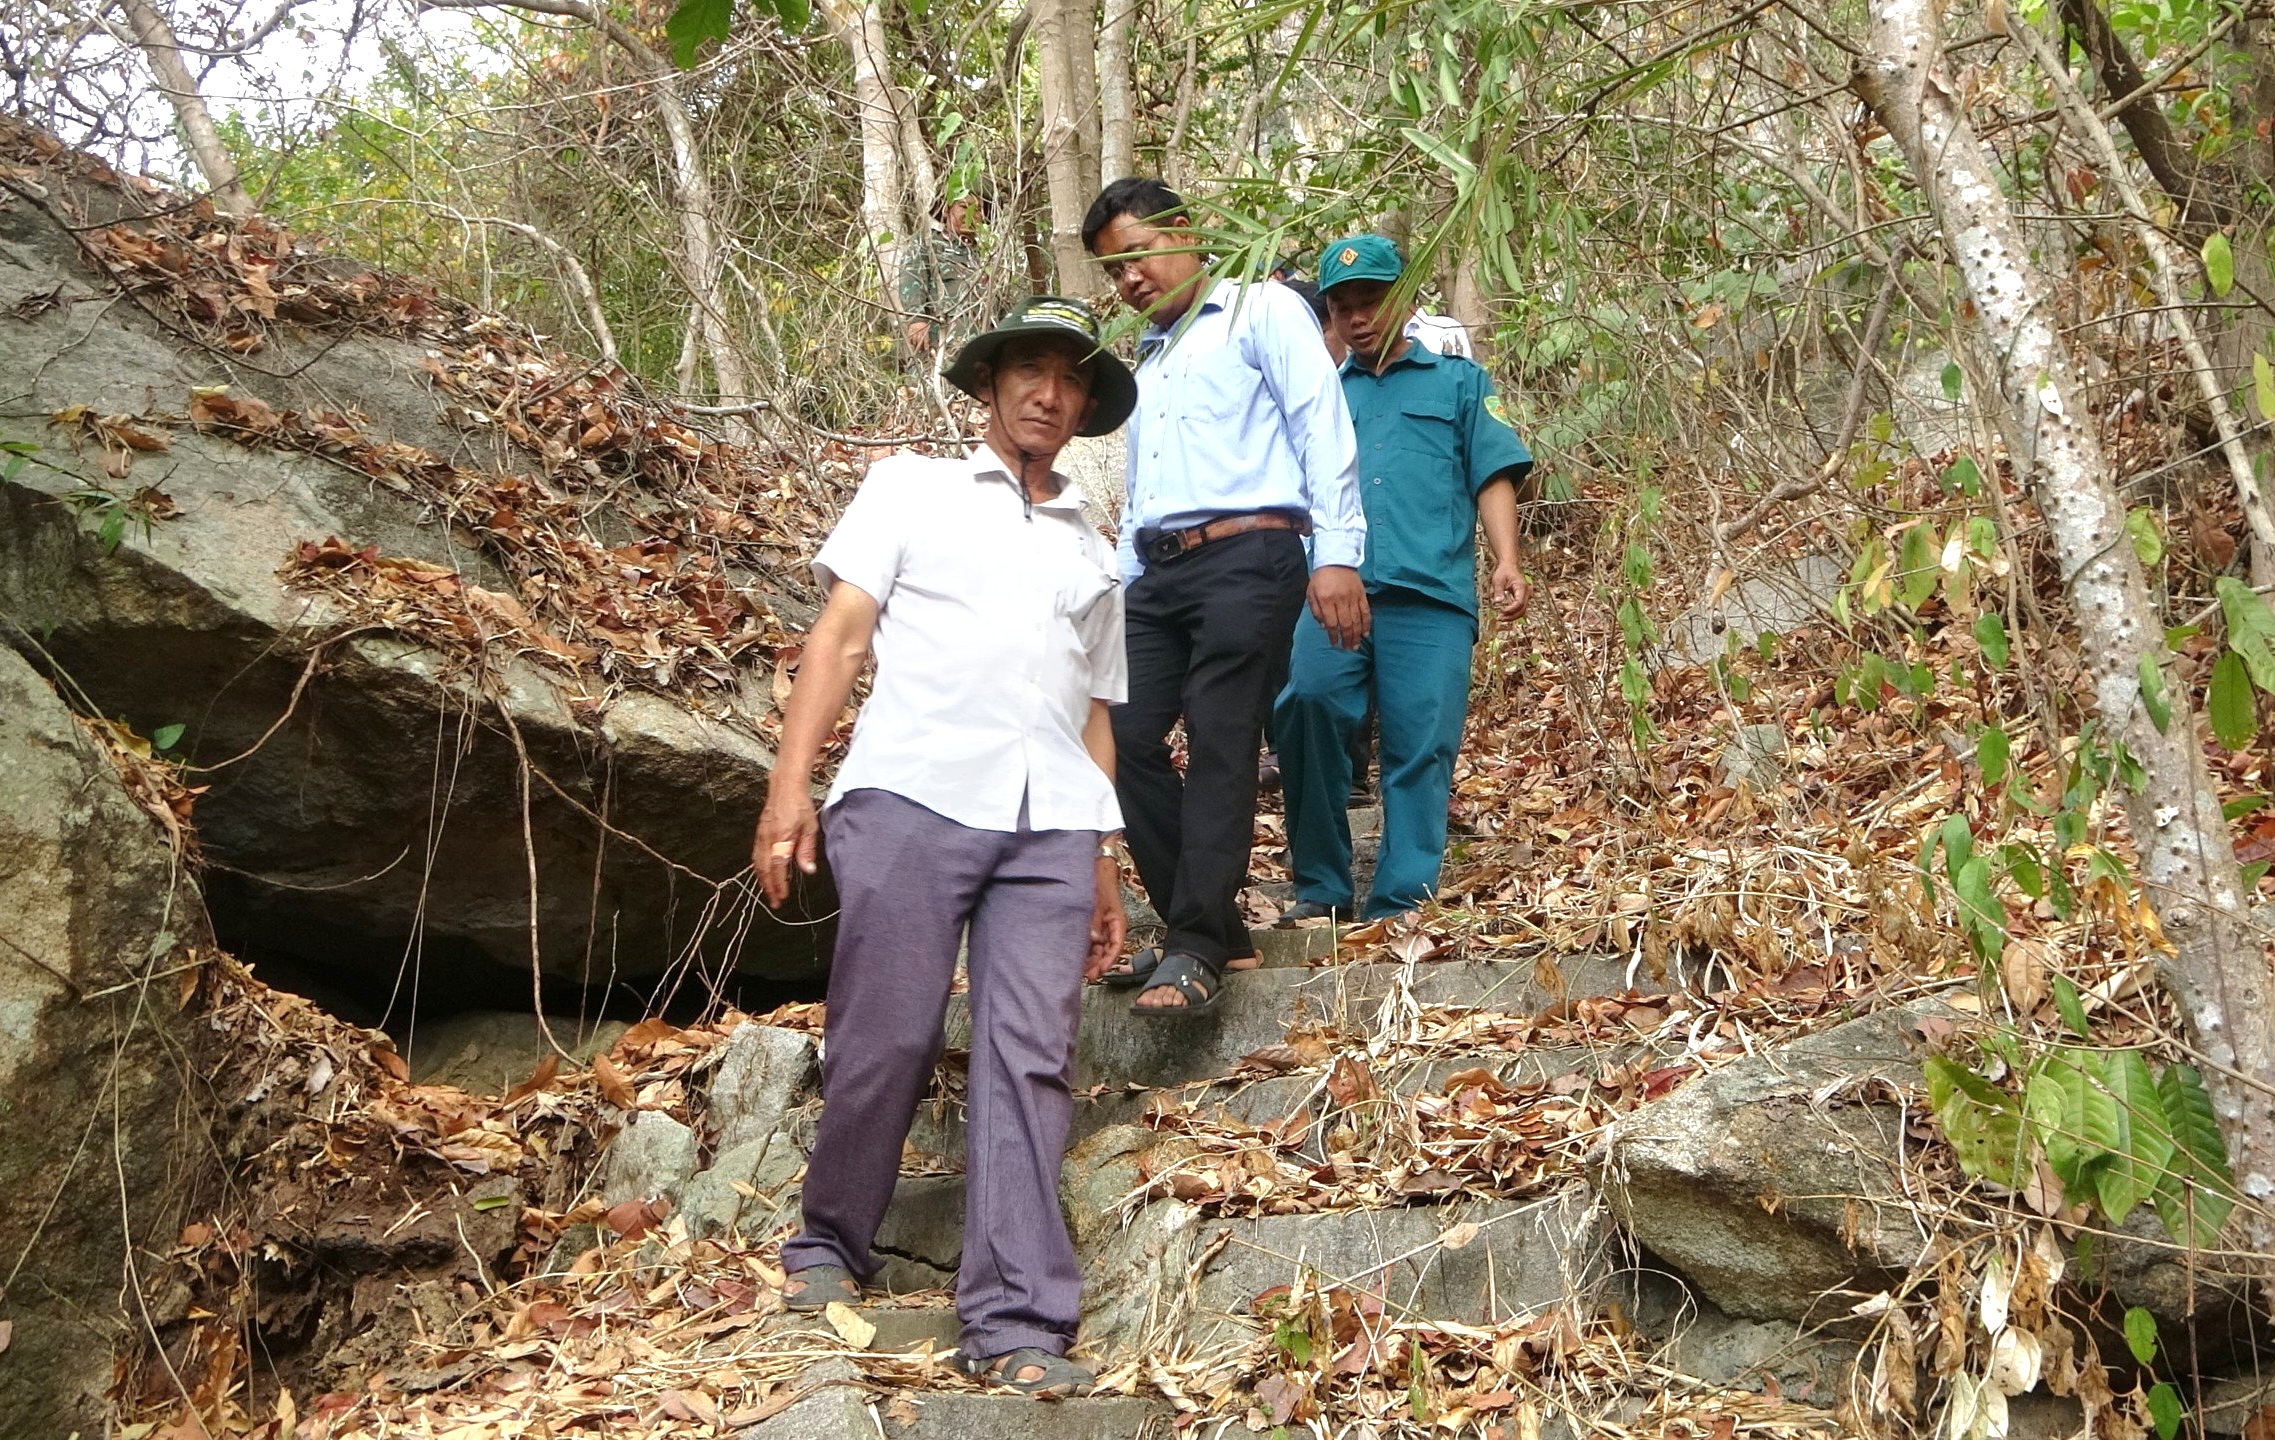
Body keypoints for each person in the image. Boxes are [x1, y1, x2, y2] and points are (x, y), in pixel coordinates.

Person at [753, 297, 1137, 1398]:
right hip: (913, 793)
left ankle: (1016, 1319)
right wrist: (791, 791)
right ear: (987, 385)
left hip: (1052, 825)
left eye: (1069, 380)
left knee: (1029, 1053)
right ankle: (829, 1241)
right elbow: (839, 636)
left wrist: (1104, 855)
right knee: (888, 1031)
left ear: (1083, 409)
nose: (1048, 394)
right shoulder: (909, 488)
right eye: (1029, 370)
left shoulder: (1091, 547)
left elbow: (1093, 712)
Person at [1080, 177, 1366, 1015]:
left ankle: (1197, 943)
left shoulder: (1262, 310)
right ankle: (1206, 931)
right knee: (1120, 734)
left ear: (1187, 232)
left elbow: (1322, 423)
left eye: (1137, 255)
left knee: (1219, 733)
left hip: (1252, 553)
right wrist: (1123, 584)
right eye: (1112, 270)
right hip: (1157, 571)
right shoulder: (1153, 355)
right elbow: (1144, 488)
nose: (1129, 280)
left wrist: (1335, 555)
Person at [1274, 236, 1533, 924]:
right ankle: (1321, 887)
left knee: (1421, 743)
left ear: (1406, 299)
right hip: (1334, 591)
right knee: (1305, 706)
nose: (1358, 317)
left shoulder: (1460, 383)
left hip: (1430, 595)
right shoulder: (1319, 398)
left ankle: (1398, 900)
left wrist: (1505, 558)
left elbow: (1492, 472)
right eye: (1343, 306)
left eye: (1371, 301)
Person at [898, 193, 985, 372]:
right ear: (947, 211)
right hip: (939, 351)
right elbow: (911, 275)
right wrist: (917, 319)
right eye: (963, 207)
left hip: (978, 356)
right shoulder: (929, 243)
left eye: (976, 210)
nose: (971, 214)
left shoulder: (985, 258)